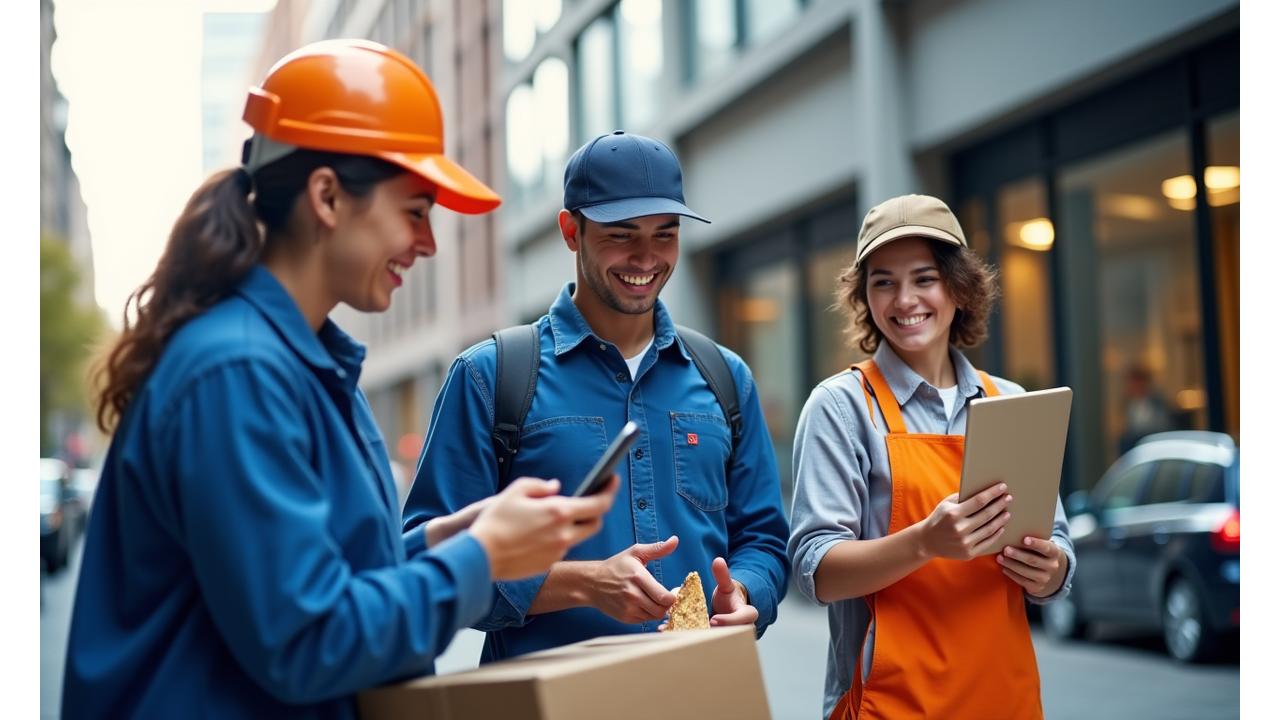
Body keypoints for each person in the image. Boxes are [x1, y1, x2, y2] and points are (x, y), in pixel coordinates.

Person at [62, 40, 617, 718]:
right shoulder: (238, 373)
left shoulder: (299, 365)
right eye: (415, 211)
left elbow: (319, 576)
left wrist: (455, 537)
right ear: (326, 196)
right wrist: (482, 556)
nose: (429, 243)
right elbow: (308, 638)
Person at [403, 131, 790, 663]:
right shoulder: (490, 377)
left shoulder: (726, 377)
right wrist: (584, 583)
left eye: (665, 234)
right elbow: (432, 564)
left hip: (700, 692)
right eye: (621, 234)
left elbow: (765, 539)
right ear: (571, 231)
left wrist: (745, 593)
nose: (646, 257)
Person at [787, 195, 1076, 720]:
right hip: (888, 705)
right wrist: (925, 541)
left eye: (924, 278)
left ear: (958, 287)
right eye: (883, 282)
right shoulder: (842, 408)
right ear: (864, 296)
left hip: (1003, 701)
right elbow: (816, 571)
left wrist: (1050, 569)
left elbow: (1056, 549)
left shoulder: (1009, 402)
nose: (904, 300)